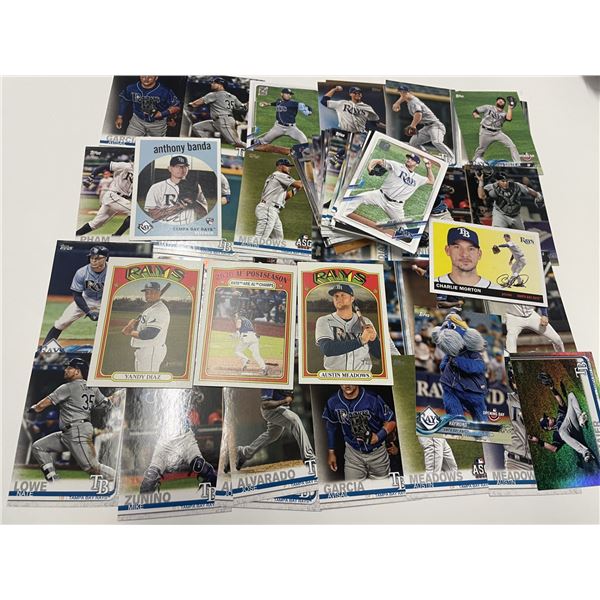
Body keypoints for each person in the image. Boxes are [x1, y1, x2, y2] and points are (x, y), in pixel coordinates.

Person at [29, 357, 119, 482]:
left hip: (76, 430)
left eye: (69, 368)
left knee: (91, 467)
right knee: (39, 447)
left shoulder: (68, 387)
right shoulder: (92, 387)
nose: (66, 370)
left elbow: (41, 406)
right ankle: (53, 480)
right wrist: (115, 396)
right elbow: (104, 404)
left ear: (77, 371)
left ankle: (118, 479)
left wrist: (32, 408)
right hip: (69, 432)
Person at [139, 389, 217, 493]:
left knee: (201, 466)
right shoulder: (159, 392)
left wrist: (193, 394)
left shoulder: (183, 391)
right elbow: (146, 398)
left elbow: (199, 396)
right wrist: (155, 394)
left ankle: (215, 494)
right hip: (165, 439)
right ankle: (146, 501)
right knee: (150, 477)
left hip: (185, 437)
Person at [341, 153, 434, 240]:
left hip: (396, 206)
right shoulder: (396, 165)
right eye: (408, 158)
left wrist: (429, 168)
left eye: (412, 159)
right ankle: (341, 216)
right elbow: (376, 160)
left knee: (404, 230)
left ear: (416, 164)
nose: (409, 160)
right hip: (380, 196)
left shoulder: (418, 178)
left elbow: (431, 180)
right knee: (360, 197)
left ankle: (415, 241)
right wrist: (370, 168)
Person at [322, 384, 396, 480]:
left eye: (350, 380)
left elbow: (391, 421)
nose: (347, 385)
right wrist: (331, 452)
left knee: (382, 487)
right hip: (353, 453)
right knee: (353, 488)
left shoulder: (372, 398)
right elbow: (331, 427)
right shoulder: (333, 401)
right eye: (343, 381)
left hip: (377, 452)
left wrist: (378, 436)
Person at [231, 389, 316, 471]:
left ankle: (244, 453)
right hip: (271, 410)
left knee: (273, 435)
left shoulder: (288, 381)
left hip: (283, 409)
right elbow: (265, 405)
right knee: (295, 420)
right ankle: (309, 457)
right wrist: (284, 401)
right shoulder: (272, 382)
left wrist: (289, 397)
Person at [43, 246, 108, 345]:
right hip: (86, 299)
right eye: (92, 257)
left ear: (105, 258)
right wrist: (89, 312)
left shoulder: (112, 269)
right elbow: (77, 295)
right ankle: (45, 347)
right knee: (62, 322)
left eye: (97, 258)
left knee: (115, 324)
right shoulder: (82, 272)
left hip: (106, 300)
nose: (94, 260)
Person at [529, 377, 598, 466]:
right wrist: (538, 441)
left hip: (574, 421)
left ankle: (581, 417)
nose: (548, 418)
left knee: (570, 396)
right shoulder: (556, 435)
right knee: (561, 431)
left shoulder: (559, 415)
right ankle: (585, 452)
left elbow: (561, 402)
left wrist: (552, 388)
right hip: (573, 433)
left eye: (547, 417)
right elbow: (554, 449)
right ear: (548, 428)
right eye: (547, 420)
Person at [314, 283, 381, 372]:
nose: (338, 298)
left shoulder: (366, 321)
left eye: (342, 295)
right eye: (336, 296)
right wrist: (361, 340)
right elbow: (327, 349)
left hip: (362, 375)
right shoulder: (324, 320)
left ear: (352, 299)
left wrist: (373, 340)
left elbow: (378, 354)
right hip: (334, 375)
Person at [392, 84, 455, 164]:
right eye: (400, 92)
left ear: (409, 92)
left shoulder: (414, 102)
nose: (402, 94)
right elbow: (403, 97)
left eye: (404, 92)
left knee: (436, 142)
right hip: (427, 127)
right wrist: (397, 103)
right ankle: (428, 157)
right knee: (413, 143)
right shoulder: (408, 98)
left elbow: (418, 115)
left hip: (436, 126)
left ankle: (452, 159)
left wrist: (413, 126)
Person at [121, 282, 170, 373]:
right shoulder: (151, 308)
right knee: (140, 378)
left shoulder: (159, 310)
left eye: (152, 292)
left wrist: (130, 332)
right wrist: (135, 324)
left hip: (150, 351)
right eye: (147, 292)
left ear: (159, 293)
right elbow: (144, 327)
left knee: (148, 380)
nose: (149, 295)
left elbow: (149, 334)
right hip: (145, 351)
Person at [144, 155, 208, 225]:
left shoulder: (195, 186)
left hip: (188, 228)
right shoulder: (157, 187)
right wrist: (176, 208)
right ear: (170, 168)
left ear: (188, 168)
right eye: (177, 166)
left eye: (185, 166)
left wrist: (194, 204)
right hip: (166, 228)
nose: (181, 169)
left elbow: (204, 214)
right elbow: (153, 215)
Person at [76, 160, 133, 237]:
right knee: (134, 213)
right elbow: (105, 166)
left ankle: (75, 235)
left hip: (118, 199)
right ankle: (116, 236)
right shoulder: (126, 165)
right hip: (114, 196)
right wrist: (91, 177)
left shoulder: (137, 172)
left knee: (95, 224)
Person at [188, 77, 246, 148]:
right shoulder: (232, 96)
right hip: (218, 121)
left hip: (223, 121)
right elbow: (242, 107)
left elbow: (195, 104)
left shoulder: (214, 94)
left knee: (236, 143)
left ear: (220, 85)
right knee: (197, 127)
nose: (212, 84)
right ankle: (210, 145)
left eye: (214, 83)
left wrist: (189, 104)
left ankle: (252, 148)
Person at [436, 226, 500, 289]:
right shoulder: (434, 285)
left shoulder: (496, 290)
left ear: (479, 254)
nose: (464, 254)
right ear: (447, 250)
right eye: (457, 247)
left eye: (471, 249)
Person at [254, 158, 303, 240]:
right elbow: (299, 184)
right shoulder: (280, 175)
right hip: (268, 209)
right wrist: (304, 179)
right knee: (260, 239)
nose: (289, 168)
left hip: (271, 210)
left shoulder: (277, 177)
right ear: (280, 166)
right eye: (287, 166)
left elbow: (285, 197)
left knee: (278, 239)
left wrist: (297, 189)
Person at [475, 170, 543, 229]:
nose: (505, 183)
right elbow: (481, 196)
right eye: (503, 181)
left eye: (506, 181)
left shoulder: (516, 186)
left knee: (521, 235)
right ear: (497, 181)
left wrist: (537, 195)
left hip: (515, 215)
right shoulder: (492, 188)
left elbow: (528, 190)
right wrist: (481, 182)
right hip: (500, 214)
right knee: (498, 233)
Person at [116, 76, 181, 137]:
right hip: (137, 121)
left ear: (156, 77)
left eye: (150, 76)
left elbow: (177, 106)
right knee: (130, 141)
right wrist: (120, 116)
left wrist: (162, 114)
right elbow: (124, 100)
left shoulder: (165, 91)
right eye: (144, 76)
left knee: (155, 145)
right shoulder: (131, 88)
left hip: (157, 124)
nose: (146, 79)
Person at [471, 97, 520, 164]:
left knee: (512, 145)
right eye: (499, 100)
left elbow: (509, 118)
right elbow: (476, 111)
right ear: (496, 102)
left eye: (502, 101)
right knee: (481, 149)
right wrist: (475, 115)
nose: (501, 101)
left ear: (504, 104)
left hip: (497, 133)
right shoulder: (488, 107)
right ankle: (473, 162)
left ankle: (518, 163)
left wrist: (510, 108)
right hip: (485, 132)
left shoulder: (504, 113)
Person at [231, 308, 268, 376]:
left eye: (236, 314)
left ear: (239, 314)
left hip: (246, 337)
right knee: (256, 355)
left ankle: (245, 359)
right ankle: (264, 368)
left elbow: (238, 330)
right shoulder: (248, 321)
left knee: (237, 351)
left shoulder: (239, 319)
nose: (235, 315)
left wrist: (234, 335)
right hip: (254, 337)